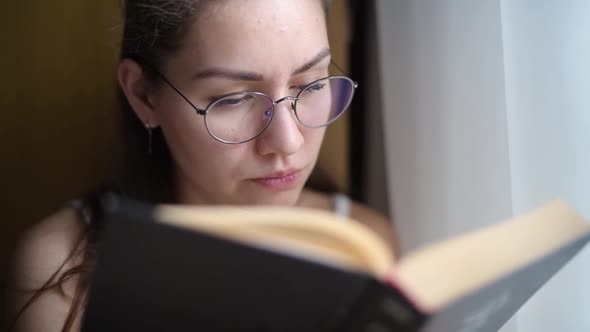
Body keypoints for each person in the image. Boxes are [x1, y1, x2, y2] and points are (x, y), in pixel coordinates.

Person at [6, 0, 398, 331]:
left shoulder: (365, 242)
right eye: (233, 99)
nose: (288, 141)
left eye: (312, 85)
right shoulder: (64, 271)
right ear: (144, 95)